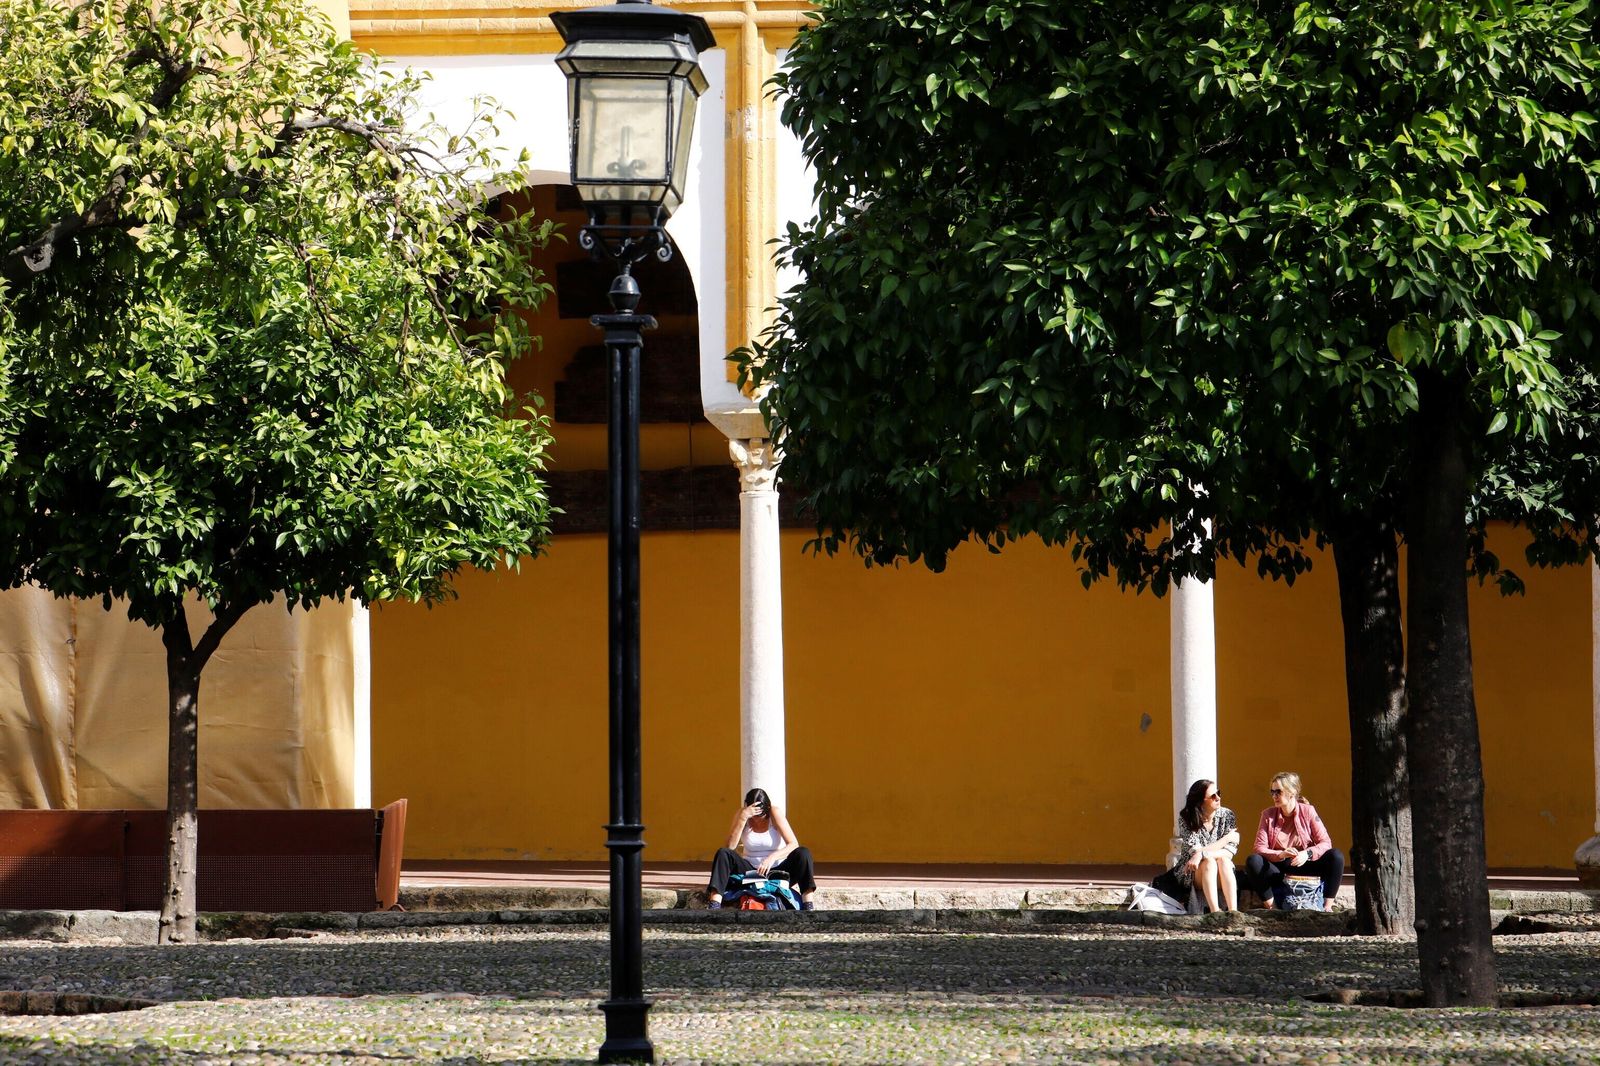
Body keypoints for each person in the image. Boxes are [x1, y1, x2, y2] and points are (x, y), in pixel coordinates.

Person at [1245, 771, 1344, 911]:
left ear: (1292, 792)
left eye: (1278, 792)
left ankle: (1327, 907)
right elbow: (1259, 847)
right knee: (1253, 861)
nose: (1274, 796)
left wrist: (1307, 854)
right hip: (1280, 867)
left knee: (1336, 856)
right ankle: (1273, 907)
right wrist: (1281, 854)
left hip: (1304, 863)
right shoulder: (1268, 815)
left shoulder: (1308, 811)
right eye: (1272, 792)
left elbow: (1325, 842)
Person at [706, 787, 816, 910]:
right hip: (750, 871)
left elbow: (793, 844)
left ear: (767, 809)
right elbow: (730, 846)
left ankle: (808, 904)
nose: (757, 821)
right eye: (754, 817)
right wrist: (743, 818)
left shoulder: (775, 813)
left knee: (803, 853)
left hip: (776, 871)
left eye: (761, 817)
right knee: (723, 853)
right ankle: (714, 904)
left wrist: (771, 858)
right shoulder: (742, 815)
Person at [1170, 778, 1240, 913]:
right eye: (1213, 796)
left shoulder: (1228, 815)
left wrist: (1203, 853)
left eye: (1218, 793)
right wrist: (1226, 839)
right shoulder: (1186, 818)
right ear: (1200, 801)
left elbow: (1229, 852)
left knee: (1224, 861)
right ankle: (1215, 912)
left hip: (1221, 869)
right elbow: (1194, 851)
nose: (1218, 798)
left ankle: (1233, 911)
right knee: (1209, 862)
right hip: (1192, 871)